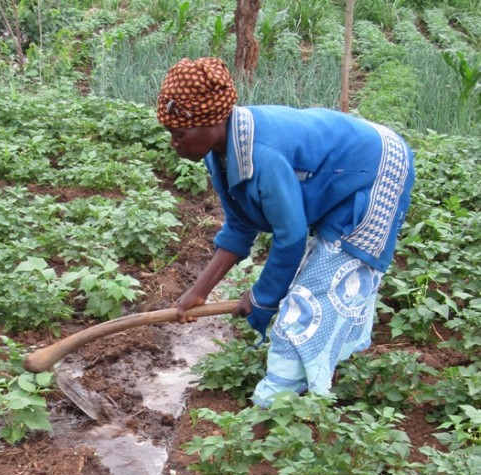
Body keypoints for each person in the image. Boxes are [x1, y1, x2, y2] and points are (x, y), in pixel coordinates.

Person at [157, 57, 415, 408]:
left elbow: (290, 237)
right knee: (313, 290)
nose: (174, 143)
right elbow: (239, 226)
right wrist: (196, 293)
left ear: (211, 122)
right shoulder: (219, 153)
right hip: (339, 174)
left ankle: (272, 409)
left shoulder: (263, 155)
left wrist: (263, 297)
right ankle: (310, 375)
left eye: (180, 133)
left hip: (375, 170)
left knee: (313, 299)